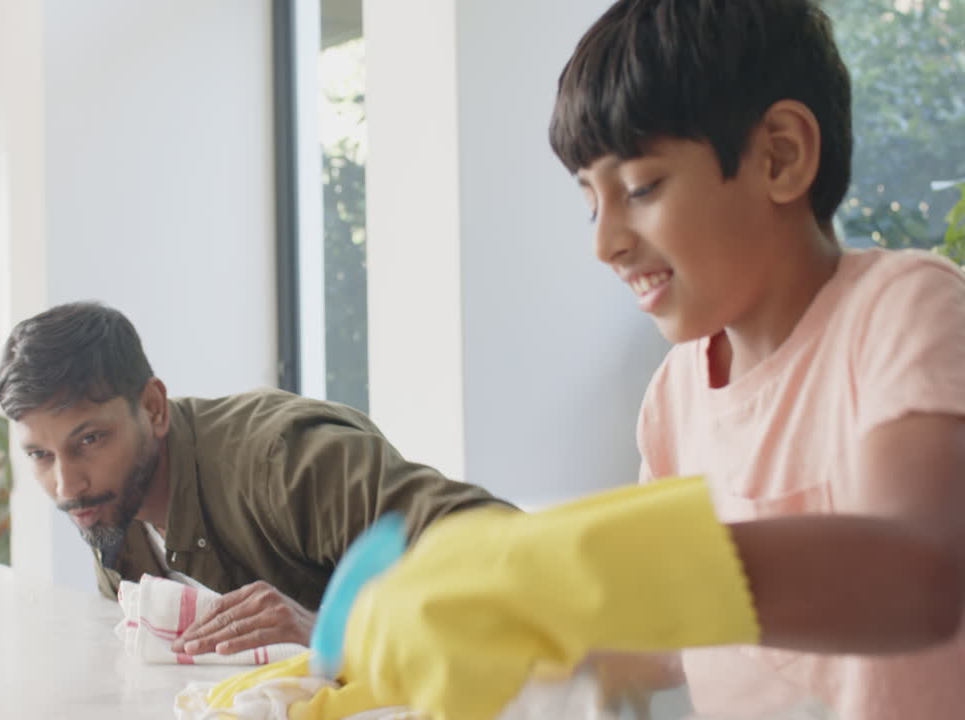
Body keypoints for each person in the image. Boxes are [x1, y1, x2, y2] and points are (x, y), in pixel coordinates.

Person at [336, 1, 965, 719]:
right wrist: (505, 635)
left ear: (781, 154)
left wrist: (586, 563)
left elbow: (916, 579)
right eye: (590, 204)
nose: (605, 244)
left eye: (640, 189)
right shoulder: (676, 396)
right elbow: (667, 642)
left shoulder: (906, 313)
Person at [0, 301, 513, 657]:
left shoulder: (283, 460)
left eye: (89, 441)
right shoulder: (109, 507)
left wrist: (328, 633)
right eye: (41, 455)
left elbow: (509, 552)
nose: (66, 487)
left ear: (152, 409)